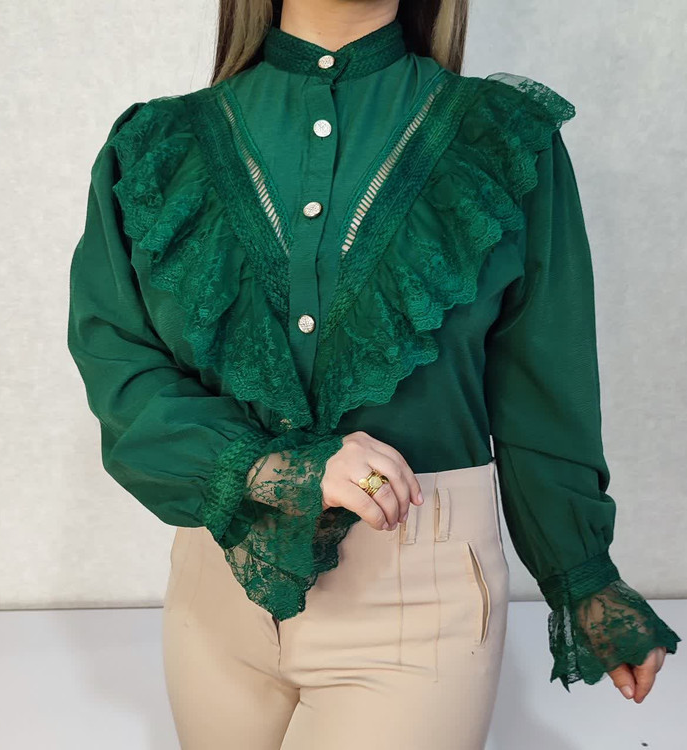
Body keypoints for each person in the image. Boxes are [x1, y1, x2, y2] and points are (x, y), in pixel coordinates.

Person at [66, 0, 681, 747]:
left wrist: (583, 576)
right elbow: (119, 366)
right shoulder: (154, 145)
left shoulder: (500, 138)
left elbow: (543, 391)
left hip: (417, 593)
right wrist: (271, 467)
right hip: (215, 592)